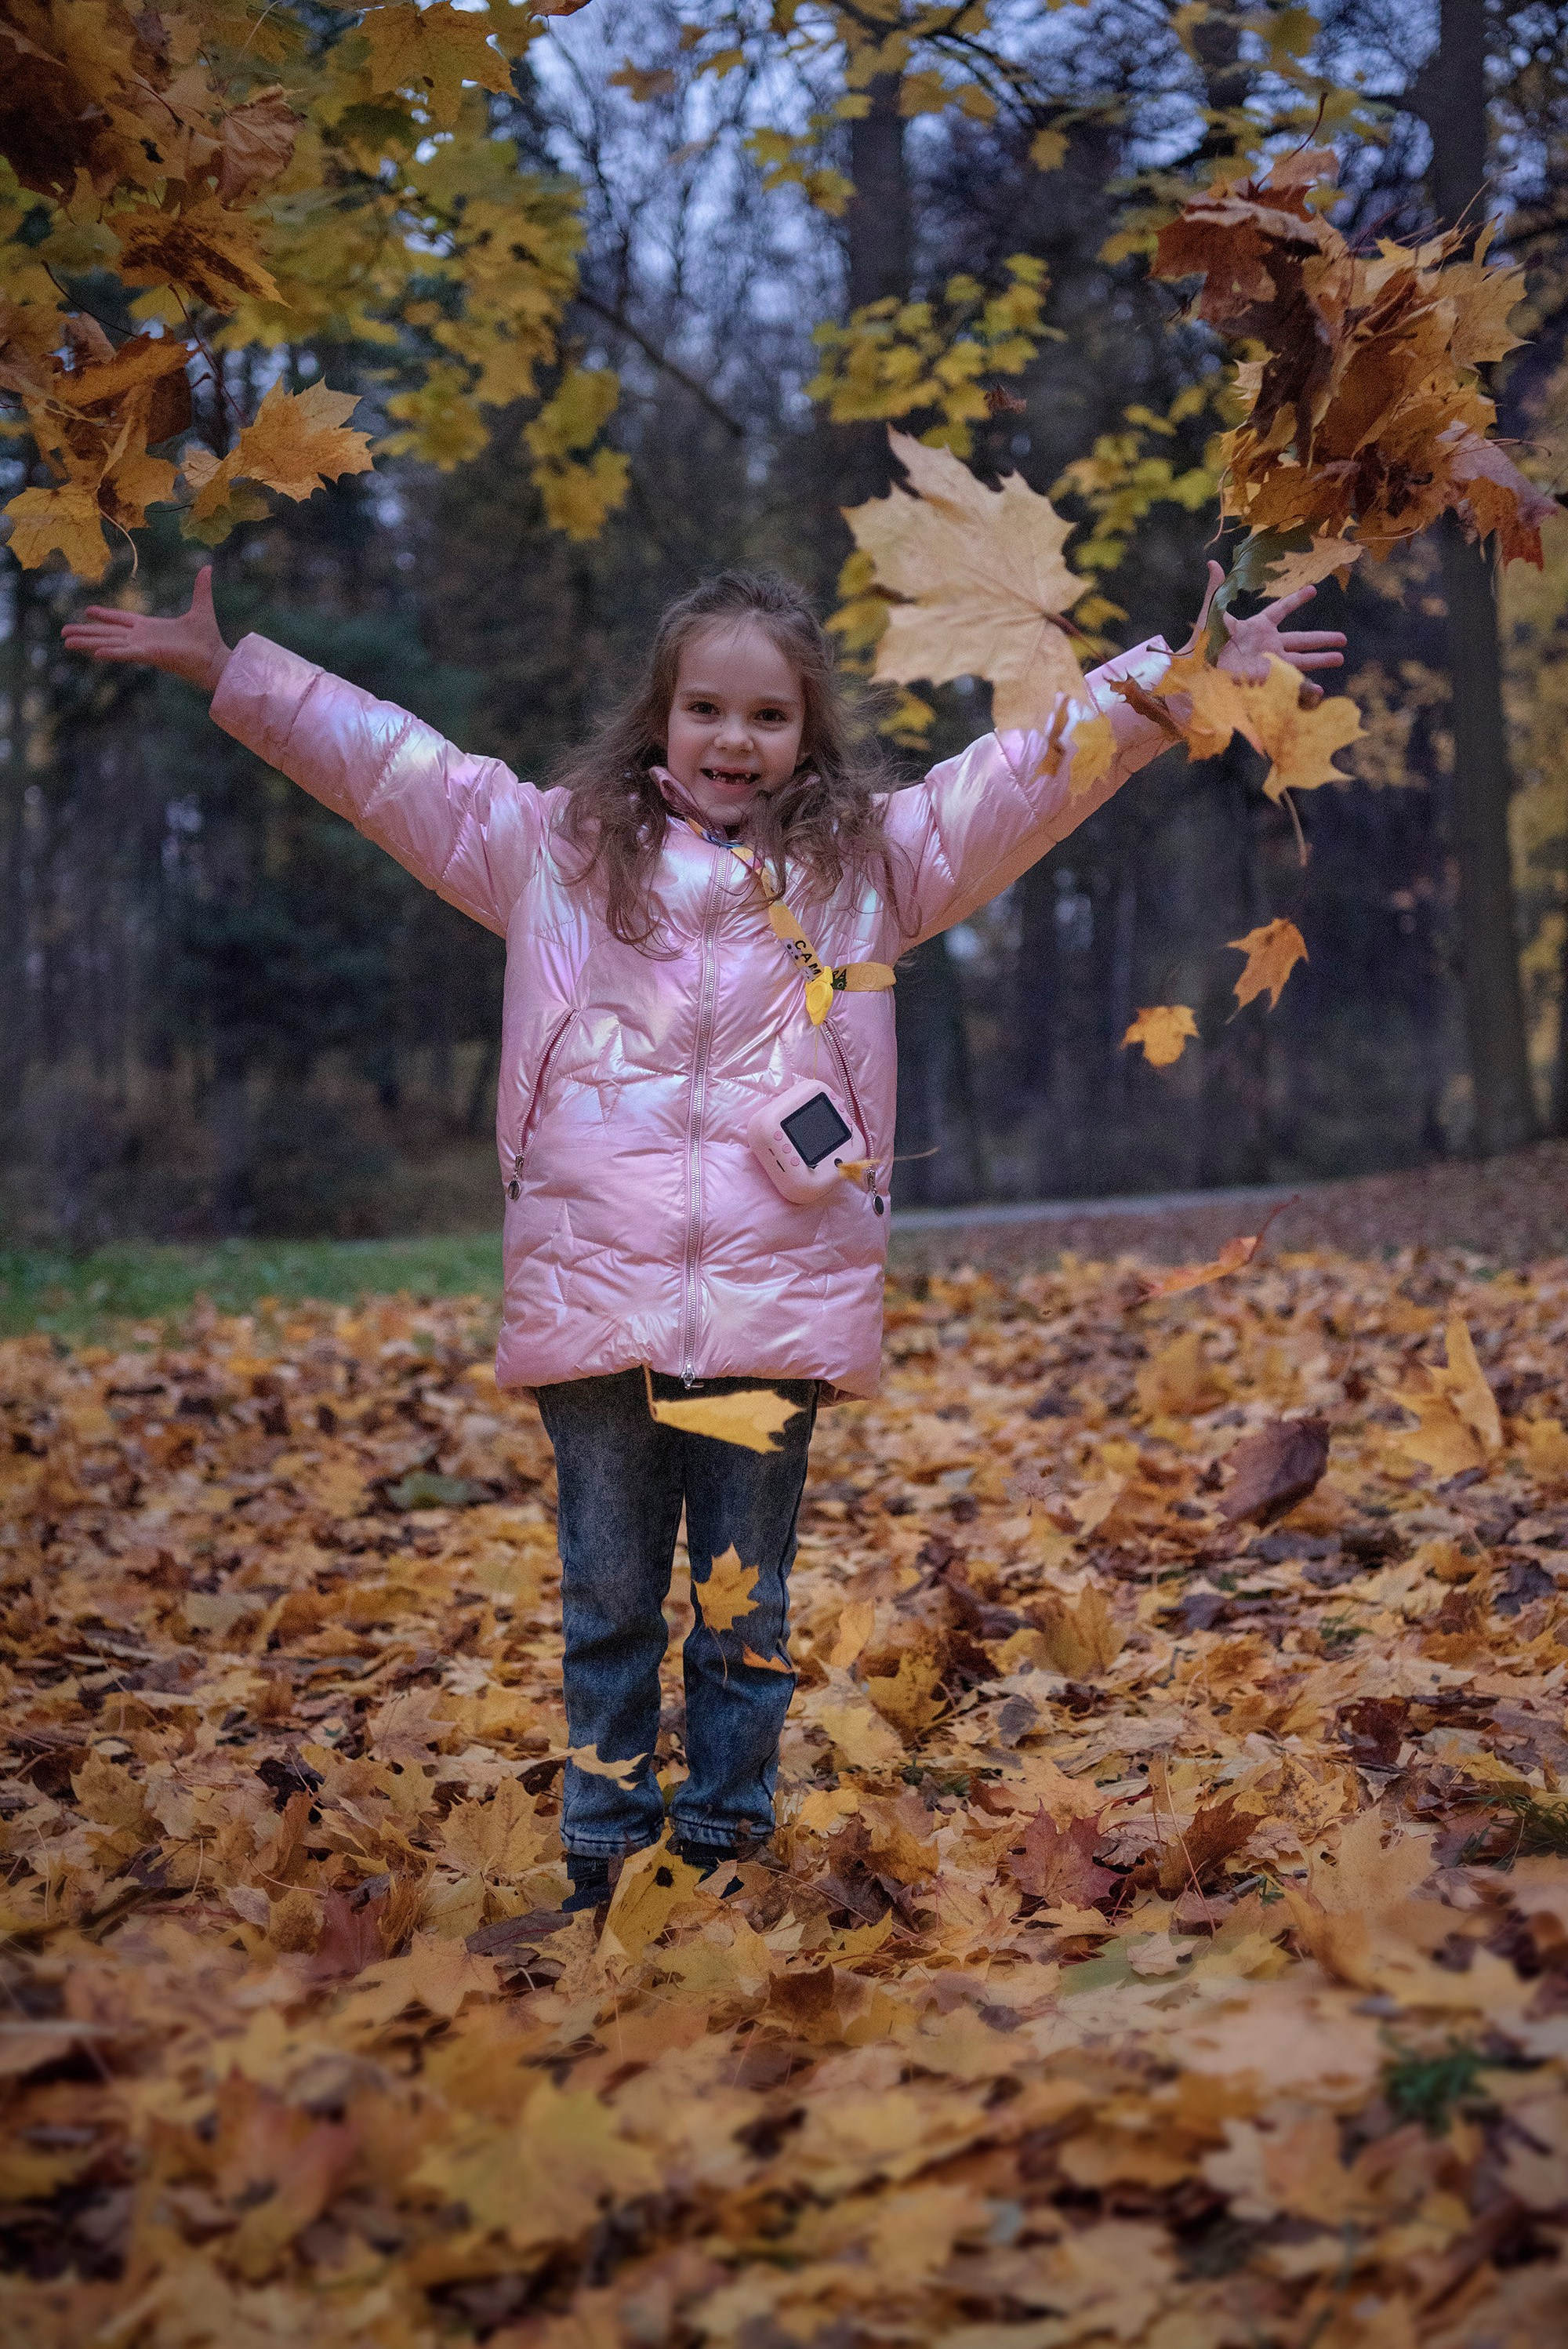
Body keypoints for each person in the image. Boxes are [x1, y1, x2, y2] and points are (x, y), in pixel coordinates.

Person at [64, 555, 1345, 1907]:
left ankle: (727, 1851)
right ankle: (603, 1859)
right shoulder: (549, 851)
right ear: (661, 718)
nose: (736, 741)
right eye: (708, 711)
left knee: (744, 1611)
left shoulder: (875, 866)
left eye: (769, 717)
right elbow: (395, 769)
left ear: (810, 732)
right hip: (596, 1306)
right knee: (609, 1609)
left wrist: (1175, 678)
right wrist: (233, 671)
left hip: (773, 1307)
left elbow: (1027, 772)